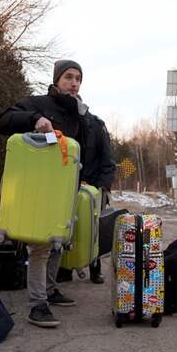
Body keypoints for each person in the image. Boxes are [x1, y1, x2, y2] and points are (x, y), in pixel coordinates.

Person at [0, 59, 88, 327]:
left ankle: (49, 289)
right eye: (69, 77)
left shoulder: (78, 113)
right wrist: (34, 119)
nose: (74, 83)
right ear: (57, 80)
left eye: (78, 78)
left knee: (58, 240)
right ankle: (37, 304)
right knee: (40, 246)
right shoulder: (38, 103)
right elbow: (4, 120)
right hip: (38, 188)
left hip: (65, 188)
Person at [57, 107, 116, 284]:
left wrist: (102, 188)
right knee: (66, 227)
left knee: (94, 229)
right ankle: (65, 268)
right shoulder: (62, 125)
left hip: (93, 187)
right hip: (67, 186)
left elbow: (108, 161)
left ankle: (95, 269)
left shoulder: (97, 126)